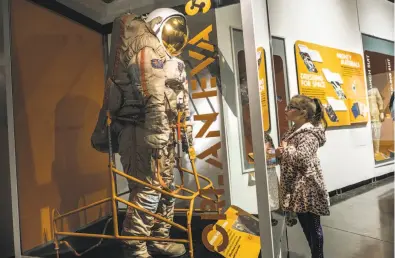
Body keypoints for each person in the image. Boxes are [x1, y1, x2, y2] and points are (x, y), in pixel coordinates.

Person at [91, 8, 191, 258]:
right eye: (171, 31)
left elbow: (176, 100)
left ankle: (159, 239)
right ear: (157, 26)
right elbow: (153, 96)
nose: (174, 37)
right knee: (148, 190)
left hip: (159, 132)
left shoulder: (164, 57)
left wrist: (182, 131)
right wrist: (159, 132)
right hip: (142, 131)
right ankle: (135, 246)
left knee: (166, 188)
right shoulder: (145, 51)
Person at [275, 95, 330, 258]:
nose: (286, 110)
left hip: (308, 188)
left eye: (290, 107)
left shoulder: (310, 134)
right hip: (296, 187)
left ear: (303, 113)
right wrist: (280, 152)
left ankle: (318, 256)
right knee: (307, 228)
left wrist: (285, 150)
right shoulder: (292, 132)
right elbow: (290, 154)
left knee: (313, 228)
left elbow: (302, 158)